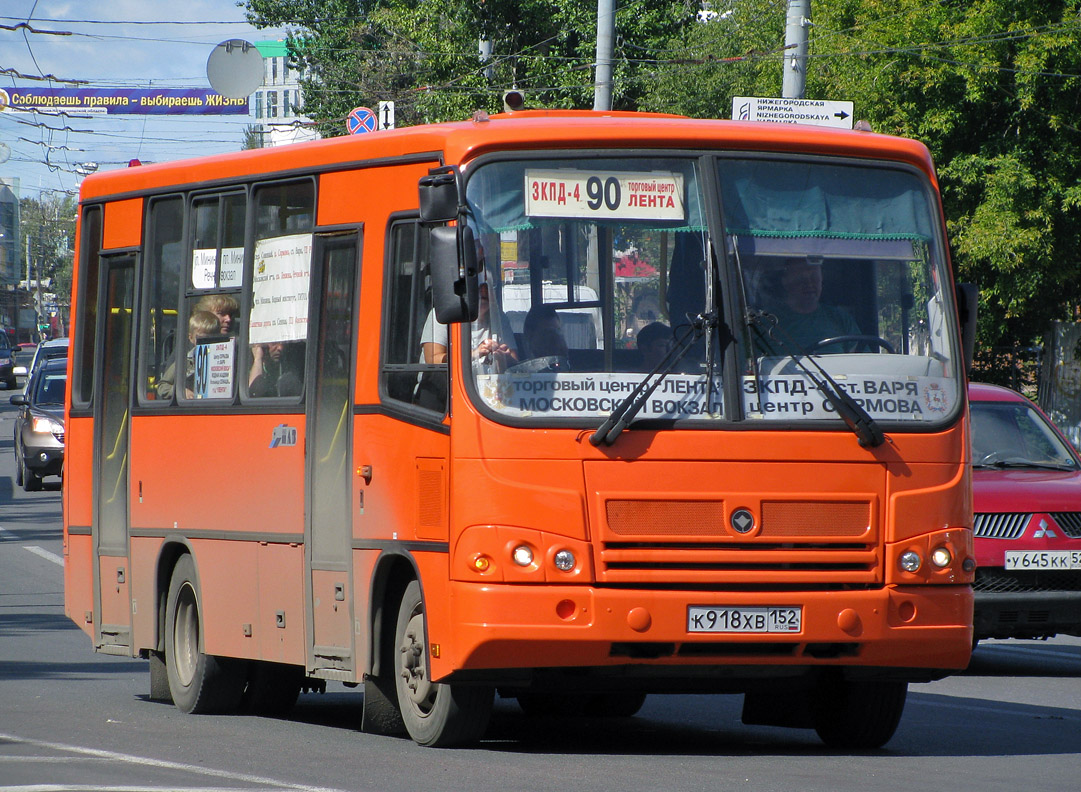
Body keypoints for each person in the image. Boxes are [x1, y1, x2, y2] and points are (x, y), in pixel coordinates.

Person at [759, 257, 861, 355]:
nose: (809, 284)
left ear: (821, 281)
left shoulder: (840, 319)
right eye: (802, 279)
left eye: (814, 278)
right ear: (785, 281)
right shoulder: (767, 323)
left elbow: (862, 363)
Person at [420, 282, 518, 372]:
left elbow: (514, 360)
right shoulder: (441, 315)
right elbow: (432, 359)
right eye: (478, 284)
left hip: (487, 387)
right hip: (441, 386)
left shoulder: (499, 318)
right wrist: (475, 353)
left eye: (488, 285)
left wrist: (504, 358)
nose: (483, 290)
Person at [156, 310, 220, 400]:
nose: (205, 343)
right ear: (191, 338)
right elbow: (162, 386)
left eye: (211, 339)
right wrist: (182, 392)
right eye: (201, 339)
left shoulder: (223, 359)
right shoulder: (184, 362)